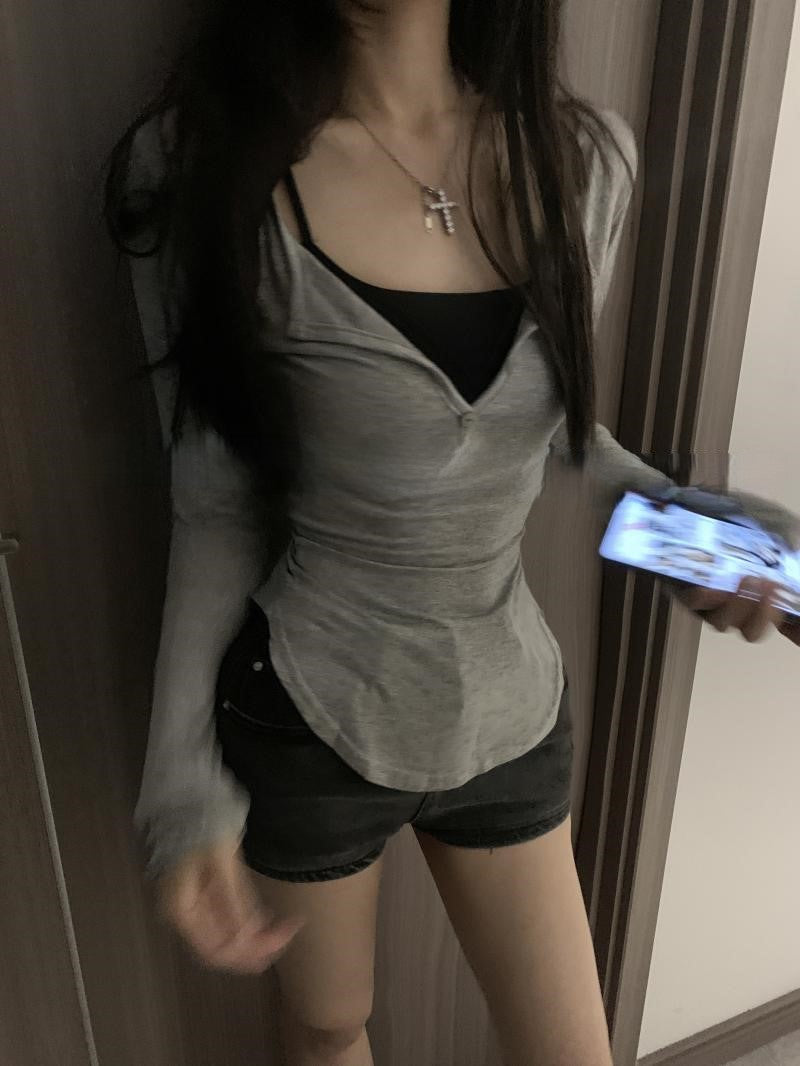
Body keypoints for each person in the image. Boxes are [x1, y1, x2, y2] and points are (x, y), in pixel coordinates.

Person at [105, 2, 800, 1063]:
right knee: (328, 1025)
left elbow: (550, 433)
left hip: (506, 703)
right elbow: (214, 502)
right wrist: (180, 790)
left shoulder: (582, 158)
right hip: (311, 711)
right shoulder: (199, 165)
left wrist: (698, 541)